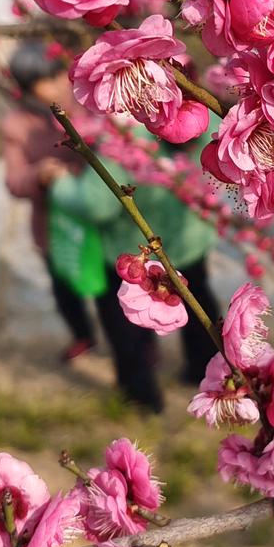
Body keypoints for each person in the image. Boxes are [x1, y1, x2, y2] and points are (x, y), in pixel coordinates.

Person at [47, 117, 221, 414]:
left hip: (133, 248)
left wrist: (58, 183)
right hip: (190, 241)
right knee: (198, 303)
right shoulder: (207, 119)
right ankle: (206, 369)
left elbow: (95, 205)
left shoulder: (125, 137)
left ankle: (140, 397)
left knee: (126, 325)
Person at [2, 42, 98, 366]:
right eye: (43, 81)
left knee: (112, 289)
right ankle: (82, 335)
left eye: (58, 74)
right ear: (27, 89)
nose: (57, 85)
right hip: (54, 227)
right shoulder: (18, 124)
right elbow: (14, 182)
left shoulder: (91, 102)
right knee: (65, 290)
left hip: (98, 217)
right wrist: (39, 176)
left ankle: (134, 345)